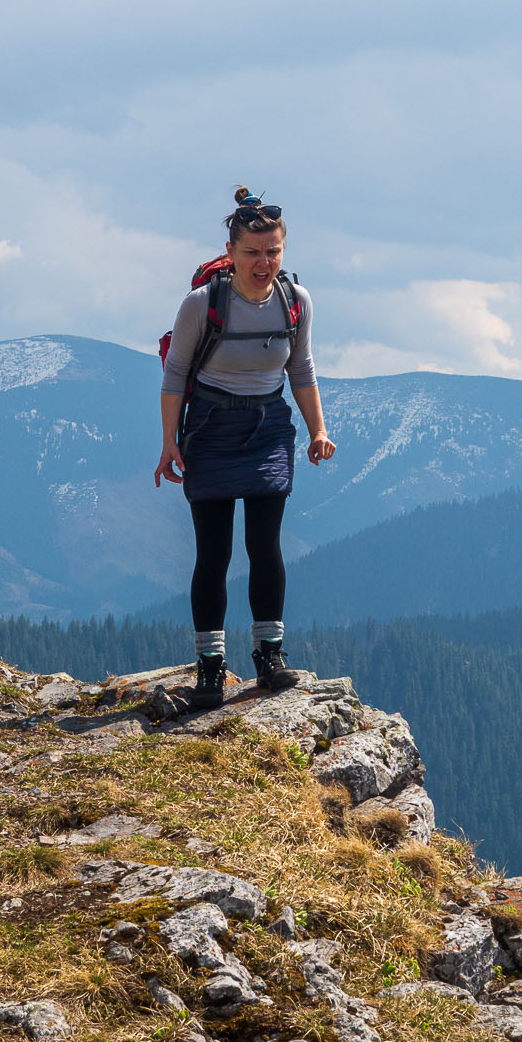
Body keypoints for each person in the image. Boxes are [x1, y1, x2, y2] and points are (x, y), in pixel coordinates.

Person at [154, 188, 336, 709]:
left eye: (274, 251)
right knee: (214, 553)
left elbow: (301, 369)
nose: (264, 262)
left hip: (269, 427)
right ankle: (210, 668)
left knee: (265, 545)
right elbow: (175, 375)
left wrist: (318, 430)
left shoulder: (294, 302)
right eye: (253, 252)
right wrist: (169, 442)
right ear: (231, 252)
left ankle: (269, 656)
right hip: (210, 428)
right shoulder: (202, 304)